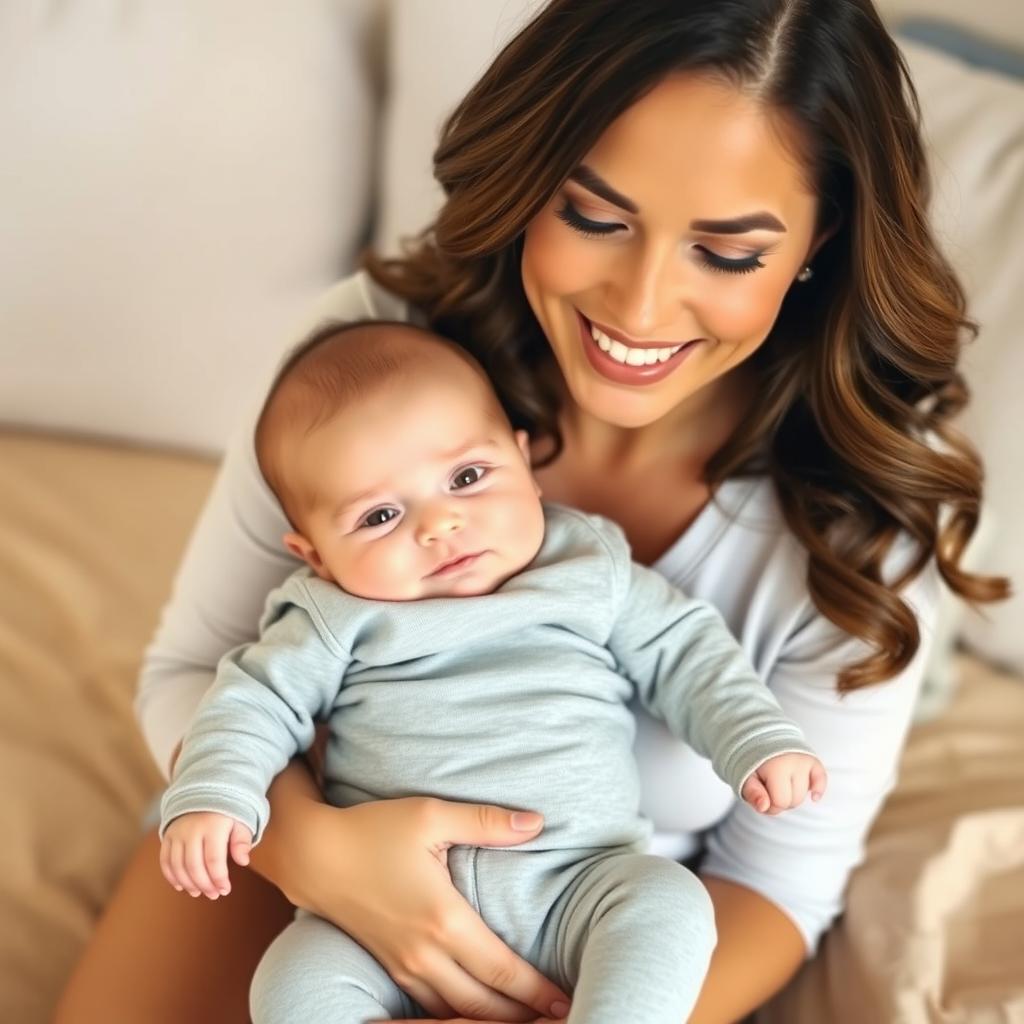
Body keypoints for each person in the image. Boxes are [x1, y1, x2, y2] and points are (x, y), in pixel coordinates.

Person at [54, 1, 1009, 1022]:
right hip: (288, 856)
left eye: (725, 254)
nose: (638, 309)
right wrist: (317, 852)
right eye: (594, 216)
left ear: (820, 237)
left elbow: (777, 886)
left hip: (595, 925)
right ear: (529, 180)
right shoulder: (368, 360)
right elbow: (196, 673)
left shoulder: (863, 507)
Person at [157, 321, 828, 1023]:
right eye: (380, 515)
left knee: (670, 905)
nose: (440, 524)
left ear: (524, 462)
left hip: (583, 881)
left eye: (467, 478)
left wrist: (755, 739)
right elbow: (250, 701)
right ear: (316, 555)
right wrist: (214, 794)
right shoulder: (332, 617)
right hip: (374, 921)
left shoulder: (586, 568)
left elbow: (686, 651)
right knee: (292, 982)